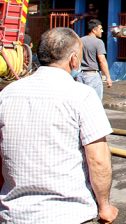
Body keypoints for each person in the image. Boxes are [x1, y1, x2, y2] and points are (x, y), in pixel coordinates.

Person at [0, 27, 118, 223]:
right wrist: (104, 206)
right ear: (73, 59)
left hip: (14, 214)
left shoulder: (7, 94)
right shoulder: (82, 95)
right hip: (68, 214)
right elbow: (98, 159)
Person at [77, 19, 113, 100]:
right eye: (100, 29)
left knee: (82, 102)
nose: (102, 31)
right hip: (92, 76)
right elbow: (102, 61)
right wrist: (108, 77)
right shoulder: (98, 42)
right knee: (95, 102)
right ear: (94, 30)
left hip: (80, 75)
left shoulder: (80, 40)